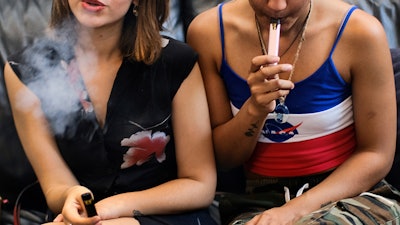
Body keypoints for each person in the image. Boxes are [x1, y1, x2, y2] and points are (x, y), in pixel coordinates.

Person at [3, 0, 217, 225]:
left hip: (163, 216)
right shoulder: (26, 69)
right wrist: (71, 196)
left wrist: (111, 209)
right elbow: (55, 183)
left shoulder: (177, 63)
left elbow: (198, 184)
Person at [187, 0, 399, 224]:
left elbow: (376, 155)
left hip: (351, 194)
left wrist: (294, 210)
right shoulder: (209, 33)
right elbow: (224, 159)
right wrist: (254, 109)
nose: (277, 6)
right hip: (260, 199)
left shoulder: (360, 32)